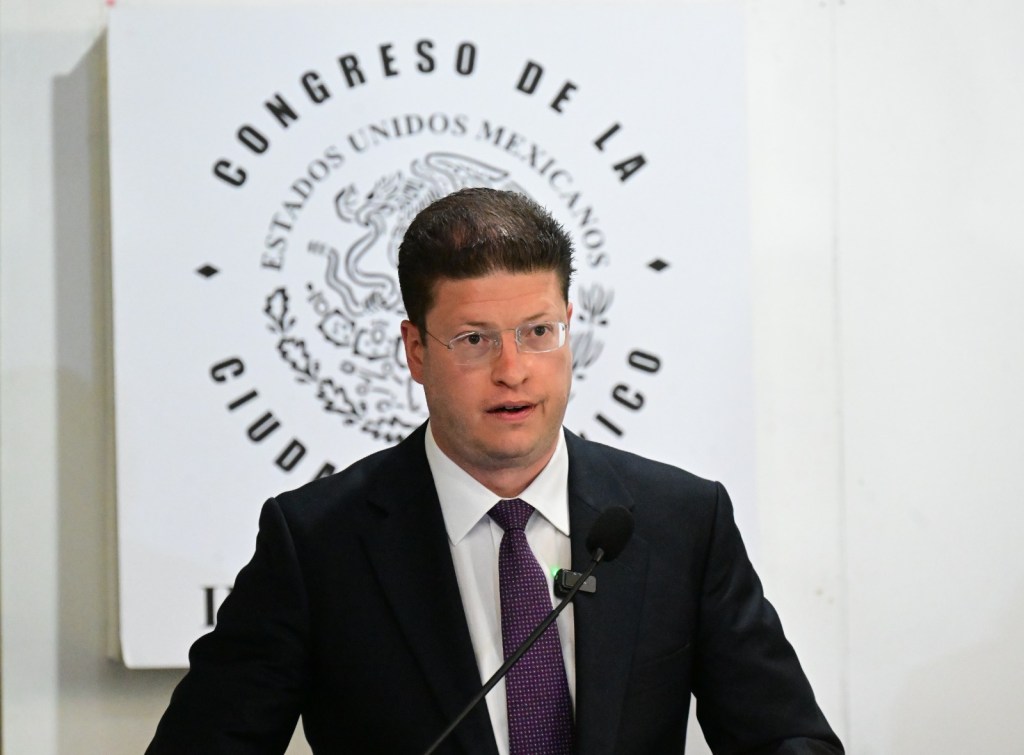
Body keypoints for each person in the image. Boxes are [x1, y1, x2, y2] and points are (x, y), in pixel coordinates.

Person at [147, 188, 843, 754]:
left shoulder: (680, 522)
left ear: (569, 326)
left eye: (538, 332)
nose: (513, 370)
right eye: (474, 339)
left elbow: (787, 738)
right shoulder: (317, 544)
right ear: (416, 351)